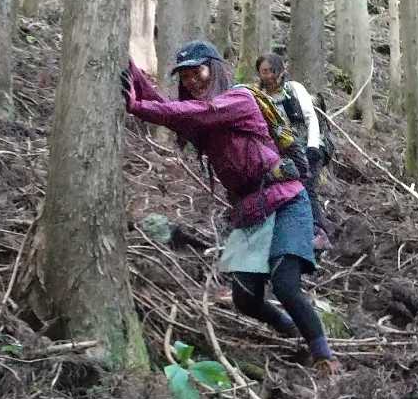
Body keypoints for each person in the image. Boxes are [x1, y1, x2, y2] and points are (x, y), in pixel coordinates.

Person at [122, 42, 338, 375]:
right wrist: (130, 71)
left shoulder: (239, 100)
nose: (192, 81)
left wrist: (138, 107)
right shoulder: (201, 117)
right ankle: (289, 328)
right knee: (245, 298)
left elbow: (194, 112)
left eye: (198, 71)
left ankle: (324, 357)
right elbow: (171, 110)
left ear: (215, 69)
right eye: (185, 76)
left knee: (285, 284)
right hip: (250, 208)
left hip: (285, 199)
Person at [255, 50, 327, 244]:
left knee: (307, 187)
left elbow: (310, 118)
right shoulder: (260, 96)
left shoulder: (294, 89)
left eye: (272, 70)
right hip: (282, 152)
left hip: (307, 145)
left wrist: (313, 147)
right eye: (264, 71)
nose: (268, 76)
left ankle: (318, 233)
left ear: (280, 70)